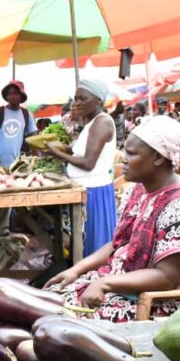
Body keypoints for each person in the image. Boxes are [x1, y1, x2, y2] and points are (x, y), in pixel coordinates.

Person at [44, 116, 180, 322]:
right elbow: (118, 244)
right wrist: (76, 270)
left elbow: (169, 278)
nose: (123, 158)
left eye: (131, 153)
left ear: (158, 158)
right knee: (45, 301)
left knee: (57, 320)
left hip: (161, 302)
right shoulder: (138, 191)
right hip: (123, 284)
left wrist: (105, 283)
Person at [45, 79, 117, 257]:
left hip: (94, 192)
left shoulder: (102, 122)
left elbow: (88, 163)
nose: (76, 103)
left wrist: (57, 154)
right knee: (84, 243)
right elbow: (81, 153)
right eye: (75, 98)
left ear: (98, 101)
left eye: (82, 98)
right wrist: (62, 149)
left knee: (94, 246)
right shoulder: (92, 123)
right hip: (86, 190)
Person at [0, 80, 37, 238]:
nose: (13, 96)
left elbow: (33, 138)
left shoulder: (26, 115)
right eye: (10, 93)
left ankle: (2, 228)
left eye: (16, 93)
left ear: (21, 96)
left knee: (6, 199)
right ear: (6, 96)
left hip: (14, 165)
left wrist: (37, 160)